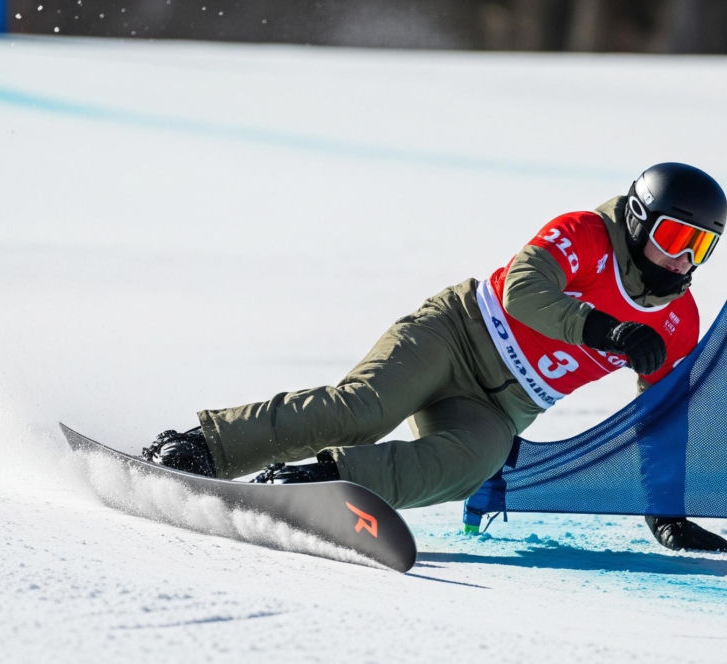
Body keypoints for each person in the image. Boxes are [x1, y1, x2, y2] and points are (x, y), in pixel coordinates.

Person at [143, 162, 727, 552]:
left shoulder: (677, 322)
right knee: (364, 410)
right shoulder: (585, 233)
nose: (685, 260)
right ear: (638, 220)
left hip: (500, 407)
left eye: (701, 246)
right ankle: (206, 447)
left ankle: (320, 482)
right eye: (675, 238)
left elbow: (660, 420)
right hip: (456, 334)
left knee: (473, 463)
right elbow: (523, 291)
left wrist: (666, 512)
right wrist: (606, 330)